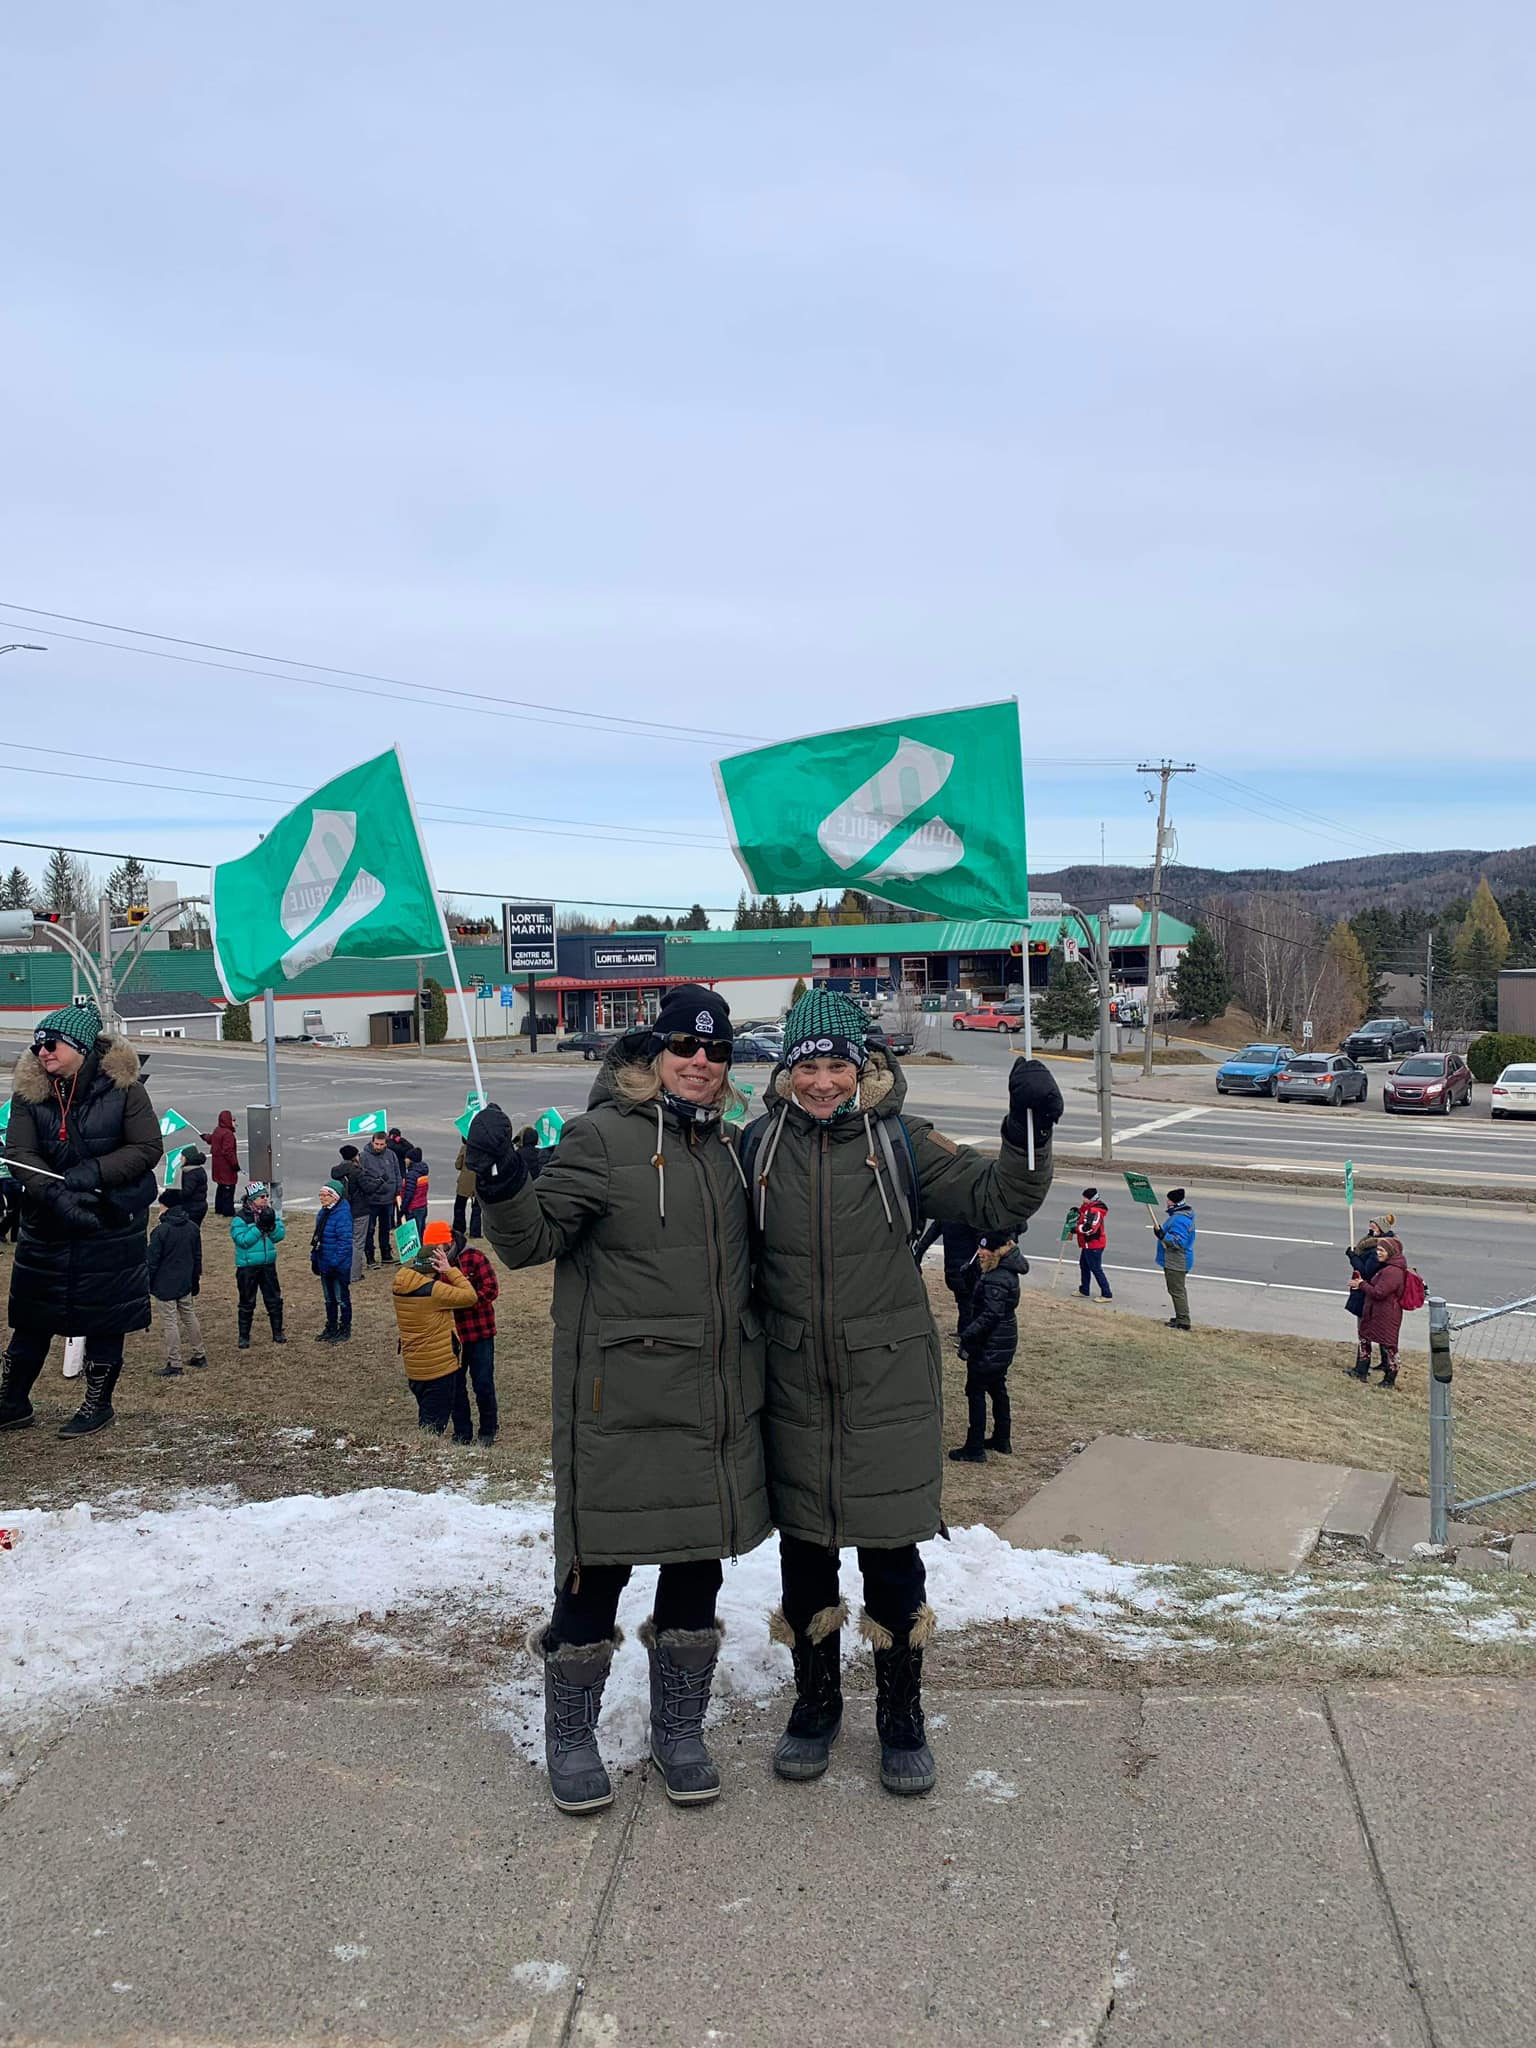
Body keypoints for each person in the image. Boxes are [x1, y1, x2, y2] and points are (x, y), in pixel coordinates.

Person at [464, 982, 768, 1815]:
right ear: (653, 1053)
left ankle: (680, 1733)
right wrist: (500, 1180)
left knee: (694, 1574)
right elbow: (531, 1240)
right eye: (684, 1046)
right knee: (593, 1574)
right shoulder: (600, 1137)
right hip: (617, 1405)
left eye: (715, 1050)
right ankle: (571, 1736)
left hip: (709, 1404)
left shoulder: (731, 1147)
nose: (700, 1062)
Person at [747, 987, 1059, 1798]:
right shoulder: (757, 1148)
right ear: (786, 1070)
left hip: (887, 1388)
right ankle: (815, 1704)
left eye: (836, 1066)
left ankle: (900, 1715)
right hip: (792, 1389)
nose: (822, 1082)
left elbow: (996, 1198)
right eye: (807, 1066)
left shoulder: (903, 1144)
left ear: (863, 1066)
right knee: (804, 1563)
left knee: (892, 1563)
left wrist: (1029, 1133)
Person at [0, 1000, 163, 1436]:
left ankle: (97, 1406)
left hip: (106, 1223)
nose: (42, 1052)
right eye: (37, 1045)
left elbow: (147, 1147)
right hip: (48, 1225)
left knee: (104, 1318)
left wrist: (93, 1172)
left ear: (81, 1047)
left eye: (52, 1044)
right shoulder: (28, 1092)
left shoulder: (125, 1088)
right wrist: (55, 1195)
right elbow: (20, 1152)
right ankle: (12, 1402)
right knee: (31, 1318)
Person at [391, 1219, 477, 1432]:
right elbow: (470, 1296)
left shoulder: (401, 1285)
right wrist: (450, 1270)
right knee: (432, 1427)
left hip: (415, 1366)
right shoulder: (433, 1291)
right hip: (437, 1368)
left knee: (427, 1413)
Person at [950, 1229, 1025, 1462]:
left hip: (991, 1343)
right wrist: (969, 1275)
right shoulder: (1000, 1271)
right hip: (1001, 1341)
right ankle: (1002, 1438)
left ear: (997, 1251)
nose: (980, 1252)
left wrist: (968, 1335)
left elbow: (990, 1315)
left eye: (985, 1248)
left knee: (976, 1390)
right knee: (996, 1386)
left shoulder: (997, 1277)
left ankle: (975, 1447)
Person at [147, 1185, 205, 1377]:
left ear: (166, 1207)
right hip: (185, 1282)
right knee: (189, 1316)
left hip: (165, 1285)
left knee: (170, 1322)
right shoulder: (192, 1228)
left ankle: (175, 1363)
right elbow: (197, 1257)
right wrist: (195, 1279)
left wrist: (147, 1283)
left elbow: (152, 1262)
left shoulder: (160, 1232)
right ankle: (199, 1354)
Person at [451, 1228, 500, 1443]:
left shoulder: (475, 1257)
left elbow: (491, 1289)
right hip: (453, 1336)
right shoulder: (430, 1263)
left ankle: (488, 1429)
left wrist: (466, 1300)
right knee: (455, 1386)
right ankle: (462, 1431)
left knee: (483, 1383)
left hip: (480, 1332)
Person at [1348, 1214, 1407, 1388]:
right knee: (1365, 1338)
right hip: (1374, 1310)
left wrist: (1361, 1283)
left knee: (1388, 1345)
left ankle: (1389, 1378)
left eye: (1381, 1251)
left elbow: (1379, 1292)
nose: (1378, 1253)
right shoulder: (1389, 1267)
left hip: (1385, 1313)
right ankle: (1362, 1370)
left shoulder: (1392, 1271)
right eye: (1378, 1250)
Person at [231, 1181, 286, 1348]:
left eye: (266, 1196)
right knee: (247, 1301)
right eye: (262, 1196)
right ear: (252, 1199)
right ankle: (244, 1336)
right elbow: (242, 1241)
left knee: (274, 1300)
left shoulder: (270, 1213)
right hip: (247, 1266)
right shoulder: (240, 1218)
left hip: (268, 1264)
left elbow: (279, 1236)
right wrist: (259, 1227)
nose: (265, 1199)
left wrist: (271, 1226)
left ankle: (278, 1332)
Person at [311, 1180, 354, 1344]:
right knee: (329, 1299)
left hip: (337, 1266)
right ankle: (331, 1326)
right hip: (324, 1263)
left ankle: (344, 1328)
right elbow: (317, 1237)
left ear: (334, 1197)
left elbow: (345, 1243)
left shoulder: (342, 1215)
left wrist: (334, 1262)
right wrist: (315, 1258)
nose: (321, 1198)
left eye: (325, 1195)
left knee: (341, 1298)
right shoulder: (323, 1213)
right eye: (320, 1195)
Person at [354, 1131, 402, 1267]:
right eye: (377, 1144)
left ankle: (386, 1254)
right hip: (372, 1200)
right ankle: (370, 1257)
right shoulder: (363, 1156)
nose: (379, 1147)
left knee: (386, 1228)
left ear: (386, 1143)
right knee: (369, 1229)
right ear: (372, 1142)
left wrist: (398, 1189)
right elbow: (362, 1177)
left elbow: (397, 1172)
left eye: (382, 1144)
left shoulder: (391, 1155)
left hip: (388, 1200)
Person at [1154, 1188, 1196, 1330]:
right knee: (1178, 1290)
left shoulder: (1179, 1219)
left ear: (1174, 1202)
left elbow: (1179, 1242)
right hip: (1179, 1260)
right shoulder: (1183, 1215)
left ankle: (1183, 1321)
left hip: (1176, 1261)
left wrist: (1162, 1236)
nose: (1167, 1202)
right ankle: (1181, 1316)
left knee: (1176, 1291)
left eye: (1169, 1200)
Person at [332, 1143, 368, 1280]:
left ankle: (342, 1271)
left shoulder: (338, 1172)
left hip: (343, 1210)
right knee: (357, 1242)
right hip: (359, 1210)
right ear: (355, 1157)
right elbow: (368, 1188)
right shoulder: (357, 1172)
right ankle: (354, 1274)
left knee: (344, 1241)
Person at [201, 1110, 240, 1218]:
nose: (235, 1122)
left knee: (221, 1188)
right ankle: (228, 1211)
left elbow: (212, 1139)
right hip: (226, 1168)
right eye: (233, 1120)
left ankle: (219, 1209)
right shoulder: (228, 1134)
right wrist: (235, 1165)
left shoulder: (218, 1130)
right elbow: (228, 1152)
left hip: (217, 1167)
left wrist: (205, 1137)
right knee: (228, 1189)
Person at [1075, 1187, 1112, 1300]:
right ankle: (1084, 1289)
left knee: (1096, 1269)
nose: (1083, 1199)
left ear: (1090, 1199)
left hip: (1094, 1244)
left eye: (1085, 1197)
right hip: (1088, 1244)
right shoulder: (1089, 1208)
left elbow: (1090, 1228)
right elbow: (1084, 1216)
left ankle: (1106, 1294)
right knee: (1084, 1265)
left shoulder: (1094, 1211)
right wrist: (1077, 1212)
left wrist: (1076, 1229)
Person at [452, 1142, 483, 1239]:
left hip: (465, 1182)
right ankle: (475, 1232)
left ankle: (459, 1229)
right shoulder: (482, 1148)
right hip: (478, 1181)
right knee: (477, 1208)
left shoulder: (465, 1148)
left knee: (459, 1206)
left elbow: (458, 1165)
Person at [177, 1145, 209, 1228]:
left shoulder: (191, 1173)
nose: (180, 1159)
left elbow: (186, 1192)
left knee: (189, 1230)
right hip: (199, 1206)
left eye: (182, 1156)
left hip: (193, 1208)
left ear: (188, 1158)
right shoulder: (198, 1170)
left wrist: (170, 1193)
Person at [401, 1148, 430, 1231]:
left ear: (411, 1160)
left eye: (406, 1158)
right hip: (422, 1206)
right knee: (420, 1231)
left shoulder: (411, 1175)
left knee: (413, 1234)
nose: (405, 1160)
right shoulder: (423, 1172)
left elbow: (409, 1194)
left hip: (413, 1209)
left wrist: (403, 1208)